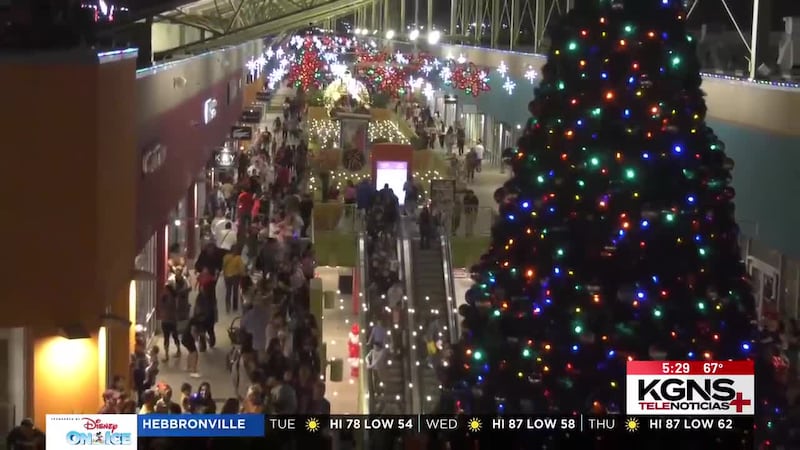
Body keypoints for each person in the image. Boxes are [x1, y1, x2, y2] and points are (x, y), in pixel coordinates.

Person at [222, 246, 246, 313]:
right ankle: (235, 307)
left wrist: (224, 273)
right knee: (235, 292)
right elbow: (241, 268)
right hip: (235, 276)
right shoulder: (238, 258)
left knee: (228, 291)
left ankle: (228, 306)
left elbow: (223, 266)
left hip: (227, 276)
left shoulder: (226, 257)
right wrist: (243, 274)